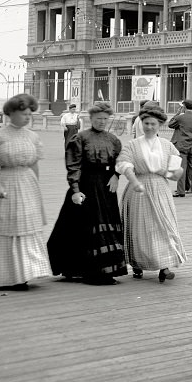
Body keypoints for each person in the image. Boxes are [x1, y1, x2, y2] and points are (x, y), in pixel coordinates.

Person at [0, 93, 53, 289]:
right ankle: (1, 275)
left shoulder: (33, 136)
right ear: (11, 113)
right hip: (5, 182)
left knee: (25, 226)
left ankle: (23, 274)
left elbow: (34, 164)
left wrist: (36, 187)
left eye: (30, 114)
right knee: (4, 226)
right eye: (23, 113)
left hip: (27, 184)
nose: (27, 117)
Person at [46, 102, 127, 284]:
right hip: (86, 186)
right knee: (82, 226)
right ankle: (86, 270)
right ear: (90, 119)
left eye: (105, 119)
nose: (102, 122)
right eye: (98, 119)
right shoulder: (80, 138)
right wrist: (75, 190)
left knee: (106, 224)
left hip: (107, 188)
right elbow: (73, 166)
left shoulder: (113, 140)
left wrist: (116, 176)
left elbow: (121, 161)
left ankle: (107, 269)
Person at [116, 105, 187, 282]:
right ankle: (137, 265)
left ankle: (164, 266)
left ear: (159, 125)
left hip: (160, 188)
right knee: (139, 228)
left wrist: (175, 172)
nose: (149, 127)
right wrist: (134, 182)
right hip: (138, 189)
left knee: (162, 226)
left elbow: (174, 172)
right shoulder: (132, 145)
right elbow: (124, 165)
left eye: (153, 124)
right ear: (141, 123)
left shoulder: (167, 146)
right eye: (146, 123)